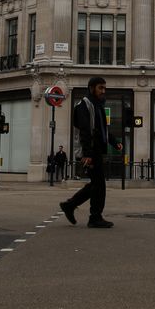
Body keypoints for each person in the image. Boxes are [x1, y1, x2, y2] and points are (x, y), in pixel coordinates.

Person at [60, 77, 120, 228]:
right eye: (100, 88)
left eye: (104, 88)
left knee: (96, 185)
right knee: (99, 185)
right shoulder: (84, 105)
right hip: (91, 151)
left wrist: (114, 141)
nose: (103, 91)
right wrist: (87, 154)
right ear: (92, 88)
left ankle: (70, 205)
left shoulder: (97, 105)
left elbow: (102, 129)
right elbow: (85, 131)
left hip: (97, 150)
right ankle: (94, 217)